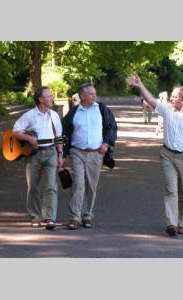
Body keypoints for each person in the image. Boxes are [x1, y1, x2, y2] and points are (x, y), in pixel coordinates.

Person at [126, 76, 183, 236]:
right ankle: (171, 223)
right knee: (171, 190)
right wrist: (140, 85)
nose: (171, 98)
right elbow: (150, 100)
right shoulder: (166, 109)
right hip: (168, 154)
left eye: (175, 96)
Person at [62, 82, 117, 230]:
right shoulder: (74, 112)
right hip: (77, 152)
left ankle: (87, 215)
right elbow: (64, 130)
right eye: (91, 94)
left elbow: (112, 126)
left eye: (95, 93)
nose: (95, 96)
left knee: (91, 186)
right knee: (78, 184)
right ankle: (75, 216)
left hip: (96, 153)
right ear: (82, 96)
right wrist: (63, 152)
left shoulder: (102, 109)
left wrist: (106, 143)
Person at [13, 86, 64, 230]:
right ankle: (35, 216)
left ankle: (50, 217)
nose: (52, 98)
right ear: (41, 99)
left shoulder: (54, 115)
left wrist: (60, 155)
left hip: (51, 152)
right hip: (33, 154)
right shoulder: (30, 115)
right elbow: (15, 131)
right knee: (33, 187)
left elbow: (59, 137)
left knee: (51, 186)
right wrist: (29, 139)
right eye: (49, 96)